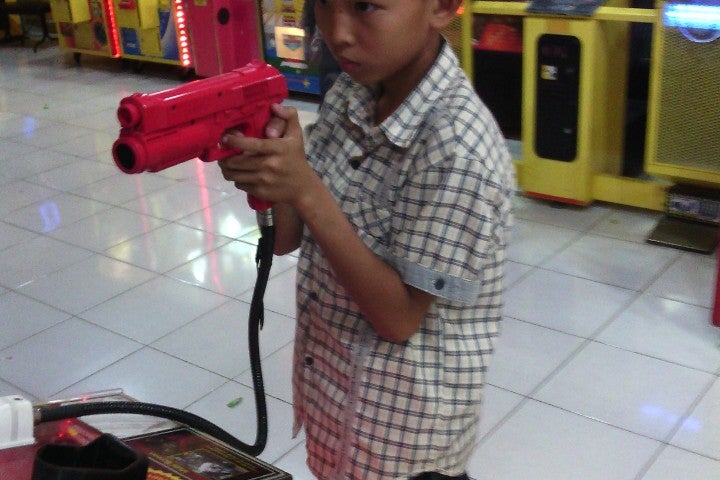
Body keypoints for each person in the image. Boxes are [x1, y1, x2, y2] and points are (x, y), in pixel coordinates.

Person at [218, 0, 515, 477]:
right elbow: (286, 237)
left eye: (366, 6)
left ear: (441, 7)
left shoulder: (458, 149)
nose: (337, 32)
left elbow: (398, 318)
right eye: (324, 4)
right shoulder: (349, 94)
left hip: (405, 446)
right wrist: (272, 168)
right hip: (337, 406)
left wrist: (306, 189)